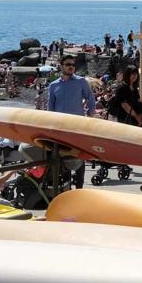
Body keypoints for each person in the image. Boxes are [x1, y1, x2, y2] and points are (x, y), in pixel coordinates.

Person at [45, 55, 96, 188]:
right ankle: (67, 187)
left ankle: (80, 187)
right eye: (68, 64)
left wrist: (90, 117)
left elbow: (90, 99)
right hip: (60, 129)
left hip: (77, 127)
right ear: (61, 66)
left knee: (80, 156)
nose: (71, 67)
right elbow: (50, 108)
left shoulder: (81, 82)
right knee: (63, 157)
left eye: (73, 65)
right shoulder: (53, 85)